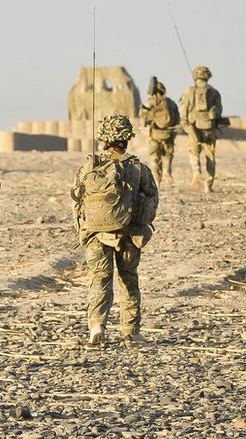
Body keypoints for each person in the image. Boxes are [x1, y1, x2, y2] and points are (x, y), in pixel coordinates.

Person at [71, 114, 159, 344]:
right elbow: (151, 199)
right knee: (128, 279)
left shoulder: (89, 167)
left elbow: (77, 200)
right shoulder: (139, 169)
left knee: (100, 280)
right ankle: (131, 330)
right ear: (127, 138)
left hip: (96, 234)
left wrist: (84, 229)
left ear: (103, 138)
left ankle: (97, 325)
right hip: (130, 234)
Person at [180, 66, 223, 192]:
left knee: (193, 152)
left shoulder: (189, 91)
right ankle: (208, 186)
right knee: (210, 156)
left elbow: (183, 110)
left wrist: (185, 124)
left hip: (194, 128)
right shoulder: (214, 92)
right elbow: (219, 110)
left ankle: (196, 171)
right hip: (209, 128)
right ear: (208, 76)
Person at [139, 79, 180, 186]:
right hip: (168, 134)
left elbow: (143, 118)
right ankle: (167, 171)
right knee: (168, 156)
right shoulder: (171, 103)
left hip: (154, 135)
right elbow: (177, 120)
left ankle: (157, 181)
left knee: (154, 157)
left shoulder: (149, 102)